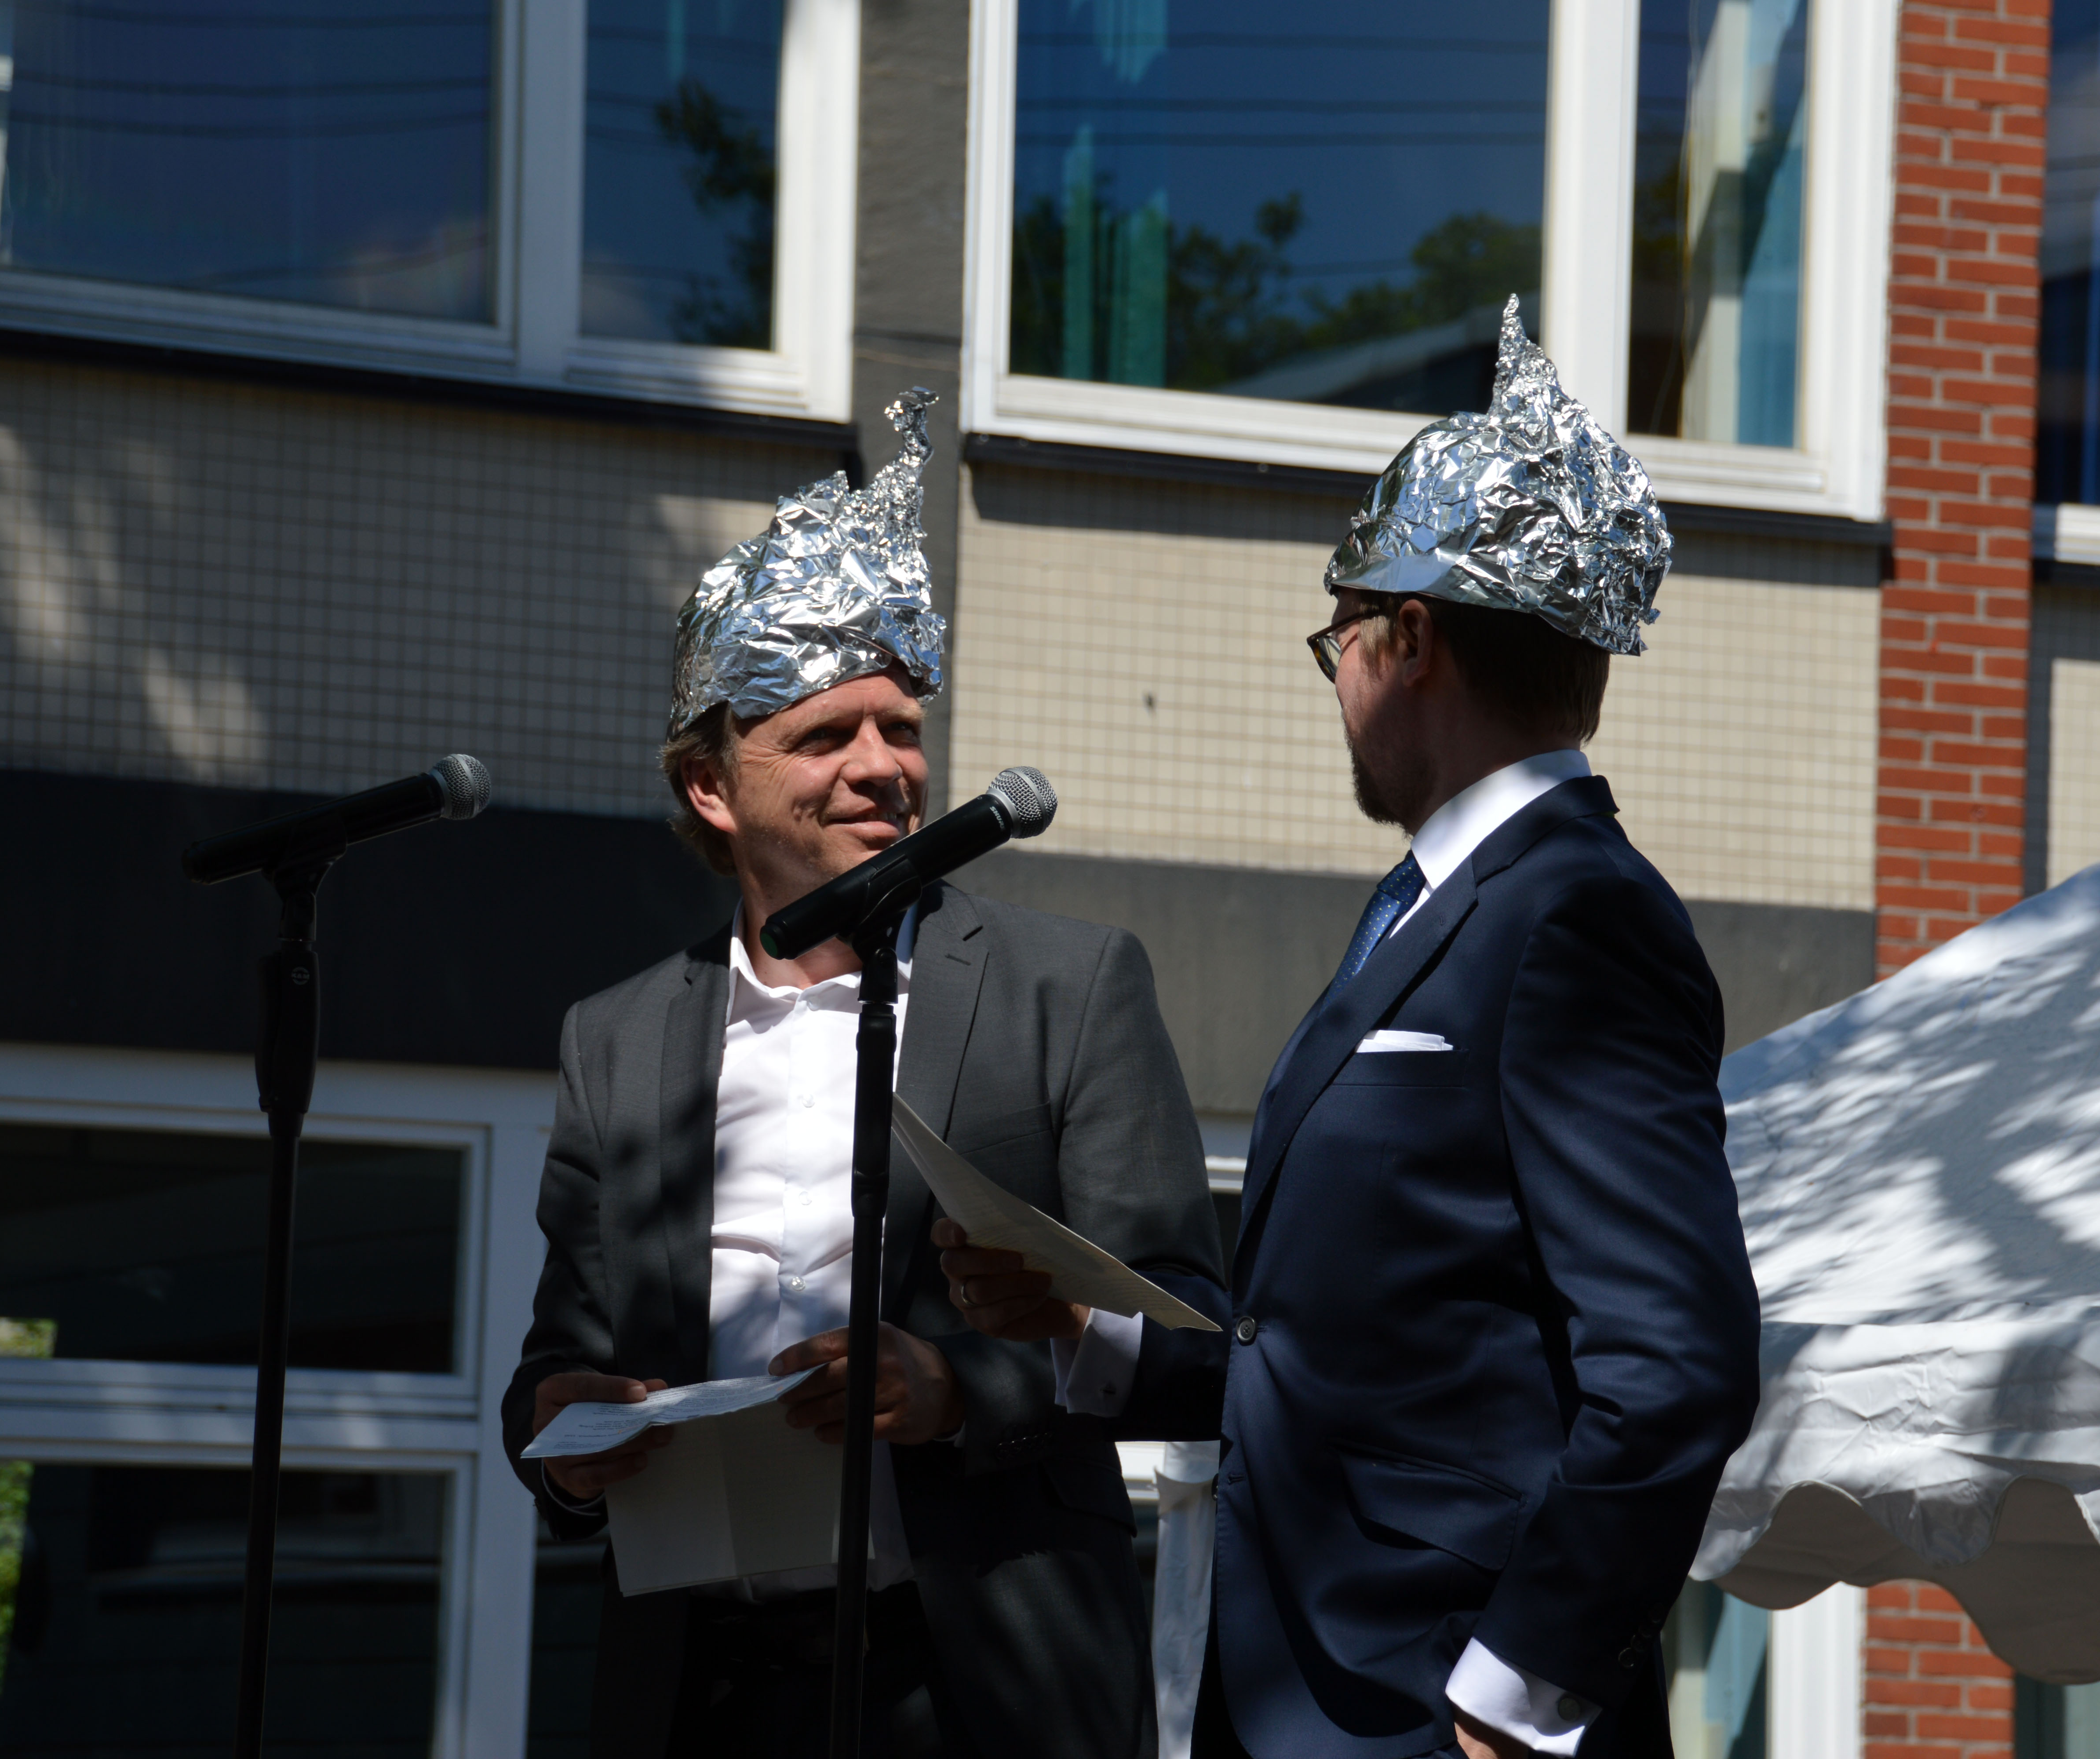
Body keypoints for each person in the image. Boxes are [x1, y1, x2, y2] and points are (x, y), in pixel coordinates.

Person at [941, 302, 1763, 1759]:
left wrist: (1514, 1698)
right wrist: (1090, 1334)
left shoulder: (1579, 917)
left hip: (1430, 1707)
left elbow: (1678, 1368)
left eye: (1340, 645)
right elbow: (1356, 1352)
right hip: (1305, 1698)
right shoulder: (1432, 905)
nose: (1338, 690)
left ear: (1411, 639)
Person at [499, 389, 1226, 1759]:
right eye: (825, 737)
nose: (883, 768)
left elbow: (1199, 1353)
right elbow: (562, 1359)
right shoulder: (620, 1037)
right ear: (712, 787)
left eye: (901, 726)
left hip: (979, 1691)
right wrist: (564, 1436)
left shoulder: (1067, 989)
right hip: (705, 1694)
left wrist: (958, 1391)